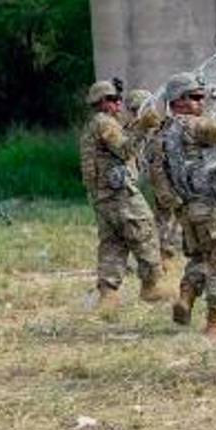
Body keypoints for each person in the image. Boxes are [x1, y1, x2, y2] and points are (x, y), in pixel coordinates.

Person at [156, 69, 216, 336]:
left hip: (186, 208)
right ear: (179, 101)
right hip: (210, 206)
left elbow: (158, 172)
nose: (202, 102)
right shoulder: (194, 125)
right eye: (196, 97)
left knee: (200, 257)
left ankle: (186, 296)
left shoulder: (165, 131)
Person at [78, 79, 171, 311]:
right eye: (113, 99)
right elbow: (125, 149)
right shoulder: (105, 123)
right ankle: (151, 285)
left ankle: (108, 294)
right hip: (119, 194)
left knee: (113, 242)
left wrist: (137, 126)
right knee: (144, 229)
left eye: (119, 98)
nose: (119, 103)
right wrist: (144, 127)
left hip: (102, 197)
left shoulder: (94, 125)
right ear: (101, 102)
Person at [125, 87, 184, 276]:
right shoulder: (133, 131)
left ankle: (164, 256)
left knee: (168, 220)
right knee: (148, 222)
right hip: (142, 184)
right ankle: (153, 258)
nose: (138, 113)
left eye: (139, 109)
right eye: (134, 109)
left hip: (160, 183)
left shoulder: (162, 129)